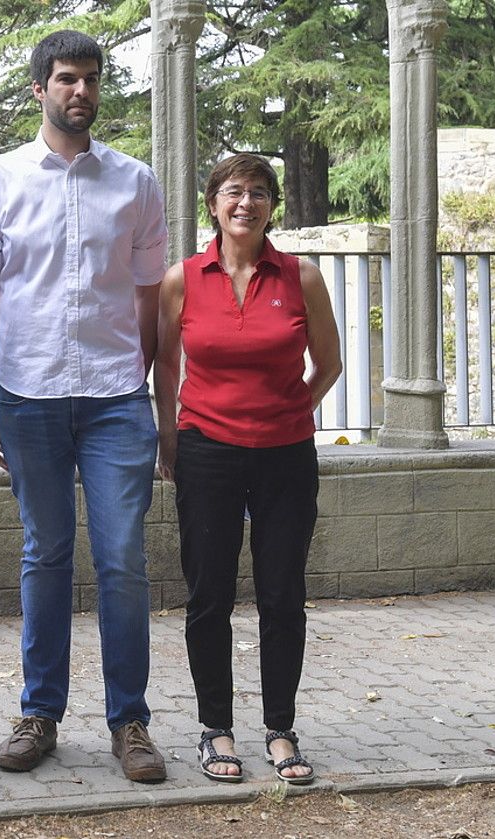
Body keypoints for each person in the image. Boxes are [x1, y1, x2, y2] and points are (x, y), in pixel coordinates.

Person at [0, 30, 169, 783]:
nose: (78, 91)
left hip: (117, 397)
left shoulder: (136, 182)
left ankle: (131, 721)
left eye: (88, 79)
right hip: (29, 393)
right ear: (39, 90)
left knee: (122, 559)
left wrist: (142, 384)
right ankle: (40, 711)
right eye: (64, 80)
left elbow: (151, 297)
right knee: (45, 554)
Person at [153, 153, 342, 786]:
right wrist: (170, 438)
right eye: (234, 191)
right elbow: (166, 369)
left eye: (259, 193)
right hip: (206, 450)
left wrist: (294, 408)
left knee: (282, 593)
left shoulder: (301, 277)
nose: (246, 203)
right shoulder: (182, 278)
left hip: (286, 455)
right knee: (209, 595)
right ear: (213, 203)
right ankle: (215, 729)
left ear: (271, 207)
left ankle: (281, 729)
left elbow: (329, 363)